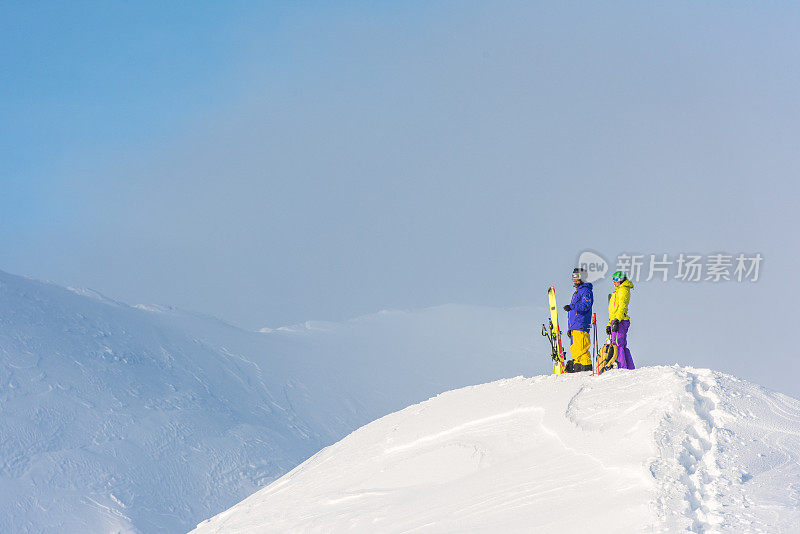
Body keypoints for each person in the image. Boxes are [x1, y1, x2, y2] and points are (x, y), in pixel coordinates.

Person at [563, 267, 593, 372]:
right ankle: (578, 369)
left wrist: (572, 306)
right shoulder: (577, 291)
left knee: (582, 349)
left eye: (577, 277)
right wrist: (571, 328)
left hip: (581, 324)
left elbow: (585, 305)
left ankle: (586, 369)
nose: (574, 279)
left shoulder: (585, 290)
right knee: (575, 350)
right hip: (575, 325)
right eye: (573, 277)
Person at [607, 271, 635, 369]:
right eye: (613, 280)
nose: (614, 282)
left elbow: (622, 306)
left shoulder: (623, 290)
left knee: (618, 345)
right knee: (619, 344)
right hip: (616, 320)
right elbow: (613, 311)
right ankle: (628, 367)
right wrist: (609, 323)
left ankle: (621, 367)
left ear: (622, 279)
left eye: (617, 280)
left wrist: (617, 320)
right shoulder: (617, 291)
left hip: (620, 320)